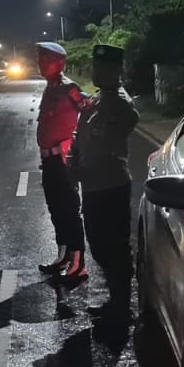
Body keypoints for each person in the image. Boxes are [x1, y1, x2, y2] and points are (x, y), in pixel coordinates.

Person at [70, 44, 139, 321]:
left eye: (103, 69)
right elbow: (81, 134)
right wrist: (72, 161)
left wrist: (81, 168)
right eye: (95, 67)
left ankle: (122, 306)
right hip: (93, 185)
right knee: (98, 244)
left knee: (114, 247)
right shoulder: (99, 99)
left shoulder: (120, 105)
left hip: (110, 185)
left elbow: (106, 142)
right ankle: (116, 300)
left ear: (116, 71)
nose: (96, 72)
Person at [33, 41, 91, 282]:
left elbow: (89, 110)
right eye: (40, 60)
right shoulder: (50, 88)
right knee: (55, 209)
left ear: (60, 63)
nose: (41, 64)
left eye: (46, 60)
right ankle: (63, 256)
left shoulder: (69, 88)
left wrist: (75, 146)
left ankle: (78, 263)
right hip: (48, 162)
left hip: (63, 161)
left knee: (69, 210)